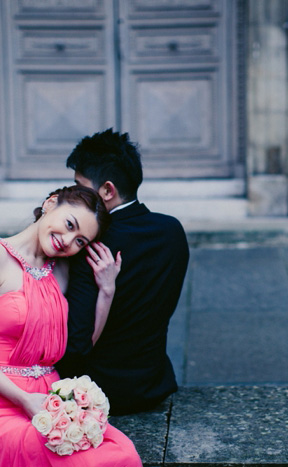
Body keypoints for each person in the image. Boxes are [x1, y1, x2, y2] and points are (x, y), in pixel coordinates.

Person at [0, 185, 142, 466]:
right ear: (51, 203)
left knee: (122, 450)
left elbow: (82, 344)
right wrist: (23, 399)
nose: (67, 241)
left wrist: (107, 291)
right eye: (69, 225)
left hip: (53, 400)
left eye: (80, 241)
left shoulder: (62, 270)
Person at [55, 129, 190, 416]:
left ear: (107, 190)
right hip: (153, 385)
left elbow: (76, 344)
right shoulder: (172, 232)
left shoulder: (91, 244)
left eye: (79, 186)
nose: (74, 194)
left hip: (96, 394)